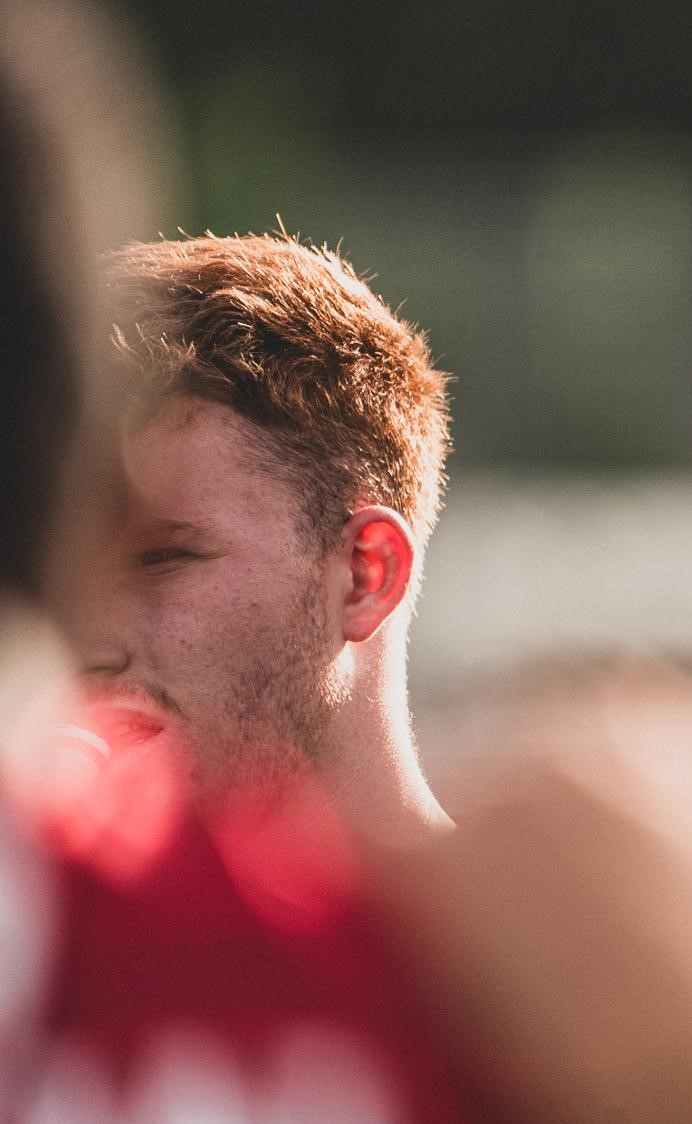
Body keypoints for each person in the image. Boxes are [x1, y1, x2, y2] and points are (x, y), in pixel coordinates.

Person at [74, 233, 452, 843]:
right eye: (58, 576)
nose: (82, 639)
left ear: (365, 574)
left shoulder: (549, 937)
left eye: (161, 559)